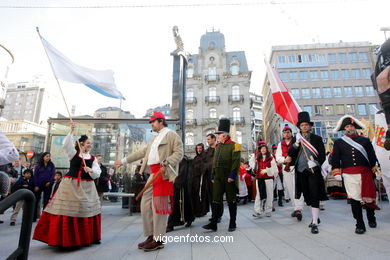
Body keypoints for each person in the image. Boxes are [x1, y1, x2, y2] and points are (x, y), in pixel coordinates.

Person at [115, 111, 183, 252]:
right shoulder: (154, 139)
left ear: (161, 121)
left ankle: (159, 239)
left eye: (153, 122)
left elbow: (179, 152)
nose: (151, 124)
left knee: (158, 207)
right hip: (153, 174)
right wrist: (123, 161)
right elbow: (141, 153)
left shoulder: (171, 135)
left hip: (163, 173)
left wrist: (168, 162)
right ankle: (151, 235)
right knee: (146, 205)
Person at [33, 123, 102, 247]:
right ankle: (66, 238)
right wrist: (71, 131)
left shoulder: (92, 158)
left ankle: (87, 237)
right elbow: (66, 144)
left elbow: (98, 173)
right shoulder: (74, 154)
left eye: (90, 143)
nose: (90, 145)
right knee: (69, 209)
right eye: (88, 143)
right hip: (71, 185)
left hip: (87, 187)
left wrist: (90, 171)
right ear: (81, 144)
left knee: (86, 210)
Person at [331, 115, 380, 234]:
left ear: (355, 127)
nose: (350, 128)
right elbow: (335, 158)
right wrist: (336, 170)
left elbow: (372, 156)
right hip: (349, 174)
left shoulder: (365, 140)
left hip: (365, 172)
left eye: (351, 126)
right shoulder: (339, 142)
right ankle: (359, 223)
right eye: (347, 126)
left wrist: (376, 169)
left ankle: (371, 217)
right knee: (354, 199)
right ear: (344, 129)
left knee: (368, 197)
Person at [286, 112, 328, 234]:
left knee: (314, 194)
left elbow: (322, 155)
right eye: (302, 125)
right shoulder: (296, 138)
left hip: (313, 171)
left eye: (306, 125)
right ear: (299, 127)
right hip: (301, 171)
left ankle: (314, 222)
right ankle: (315, 217)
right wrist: (296, 144)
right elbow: (290, 153)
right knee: (307, 196)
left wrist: (315, 162)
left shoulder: (317, 139)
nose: (304, 127)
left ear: (310, 126)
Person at [203, 118, 241, 232]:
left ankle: (232, 222)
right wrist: (213, 175)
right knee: (215, 200)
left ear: (224, 135)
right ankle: (213, 223)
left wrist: (232, 175)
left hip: (229, 177)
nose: (217, 136)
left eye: (219, 134)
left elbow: (236, 162)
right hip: (218, 177)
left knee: (231, 200)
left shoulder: (235, 146)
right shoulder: (218, 146)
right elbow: (215, 161)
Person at [276, 124, 305, 221]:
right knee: (290, 188)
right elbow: (278, 158)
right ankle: (296, 208)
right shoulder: (280, 144)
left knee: (298, 188)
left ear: (291, 133)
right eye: (285, 132)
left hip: (297, 167)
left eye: (288, 132)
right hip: (286, 168)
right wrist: (285, 160)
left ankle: (299, 208)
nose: (286, 134)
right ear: (283, 134)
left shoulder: (296, 141)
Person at [253, 143, 278, 217]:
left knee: (269, 194)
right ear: (260, 150)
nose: (263, 149)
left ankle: (268, 210)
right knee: (258, 195)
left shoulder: (271, 157)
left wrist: (267, 170)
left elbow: (275, 169)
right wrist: (255, 166)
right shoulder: (257, 158)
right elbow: (252, 166)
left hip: (268, 178)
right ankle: (258, 211)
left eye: (264, 148)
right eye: (261, 148)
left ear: (267, 149)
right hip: (259, 178)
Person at [33, 152, 56, 221]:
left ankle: (44, 217)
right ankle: (34, 217)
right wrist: (36, 185)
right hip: (39, 184)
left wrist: (50, 181)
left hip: (47, 184)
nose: (48, 157)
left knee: (46, 201)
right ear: (43, 157)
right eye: (47, 156)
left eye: (49, 156)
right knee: (36, 200)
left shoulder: (51, 165)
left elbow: (53, 174)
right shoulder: (38, 165)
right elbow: (35, 175)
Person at [192, 143, 206, 217]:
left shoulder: (204, 157)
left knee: (201, 194)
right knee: (196, 194)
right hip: (195, 178)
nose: (199, 150)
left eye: (200, 148)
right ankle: (197, 210)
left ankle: (201, 210)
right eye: (197, 148)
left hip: (201, 178)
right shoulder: (195, 157)